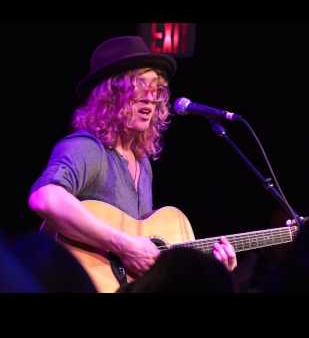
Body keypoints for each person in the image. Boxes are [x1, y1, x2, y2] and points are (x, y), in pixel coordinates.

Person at [28, 36, 237, 285]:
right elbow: (45, 198)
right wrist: (123, 245)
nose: (150, 98)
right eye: (138, 87)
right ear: (110, 95)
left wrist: (212, 268)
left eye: (156, 89)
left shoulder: (143, 163)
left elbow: (145, 258)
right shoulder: (88, 147)